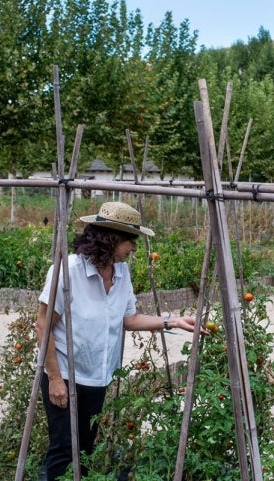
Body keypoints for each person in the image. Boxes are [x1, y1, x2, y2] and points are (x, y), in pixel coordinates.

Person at [36, 201, 198, 481]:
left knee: (85, 450)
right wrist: (54, 378)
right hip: (64, 374)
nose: (134, 247)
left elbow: (129, 319)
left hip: (97, 378)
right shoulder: (67, 271)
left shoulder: (121, 274)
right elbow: (43, 326)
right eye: (130, 240)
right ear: (109, 239)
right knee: (63, 450)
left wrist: (172, 322)